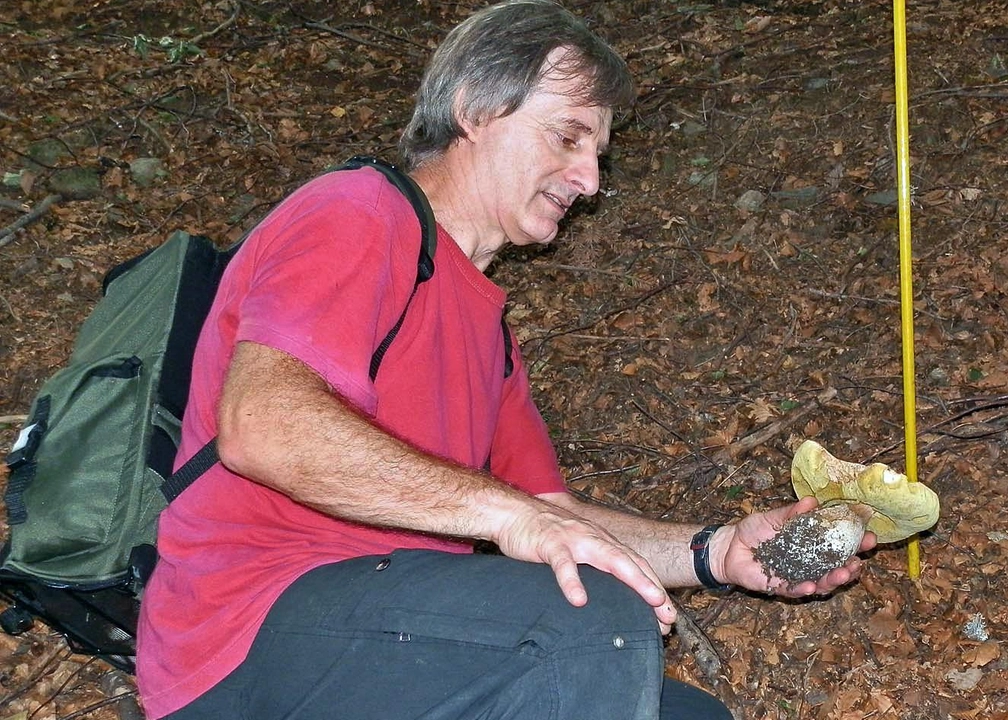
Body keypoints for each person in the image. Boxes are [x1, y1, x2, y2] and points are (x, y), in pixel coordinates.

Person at [135, 1, 877, 718]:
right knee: (584, 620)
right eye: (567, 138)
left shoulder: (488, 335)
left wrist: (717, 551)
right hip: (244, 641)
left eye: (597, 153)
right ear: (473, 108)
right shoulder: (357, 214)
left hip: (393, 632)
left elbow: (554, 514)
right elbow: (263, 426)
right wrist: (504, 514)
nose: (589, 180)